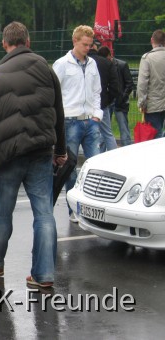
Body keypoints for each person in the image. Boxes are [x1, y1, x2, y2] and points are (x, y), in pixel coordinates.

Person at [0, 22, 66, 289]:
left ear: (5, 44)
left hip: (8, 155)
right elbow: (58, 114)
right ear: (28, 41)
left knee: (3, 212)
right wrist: (60, 150)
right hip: (40, 151)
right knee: (44, 214)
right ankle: (44, 275)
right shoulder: (47, 70)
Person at [53, 25, 102, 222]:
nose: (88, 48)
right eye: (84, 44)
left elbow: (97, 90)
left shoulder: (92, 64)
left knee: (96, 166)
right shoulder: (62, 64)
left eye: (90, 45)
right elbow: (54, 93)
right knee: (69, 168)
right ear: (75, 41)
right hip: (69, 121)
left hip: (90, 121)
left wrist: (97, 115)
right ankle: (74, 210)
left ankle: (97, 207)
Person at [89, 41, 119, 152]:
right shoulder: (106, 63)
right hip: (102, 103)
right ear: (95, 47)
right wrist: (107, 99)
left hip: (83, 104)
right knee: (107, 133)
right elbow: (115, 86)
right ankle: (114, 158)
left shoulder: (81, 61)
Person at [101, 46, 133, 146]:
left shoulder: (122, 65)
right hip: (108, 100)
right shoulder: (104, 65)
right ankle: (102, 153)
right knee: (105, 129)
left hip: (119, 101)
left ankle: (126, 148)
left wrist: (122, 97)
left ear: (110, 56)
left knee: (123, 128)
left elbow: (129, 84)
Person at [137, 29, 165, 138]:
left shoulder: (147, 58)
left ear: (152, 40)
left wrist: (141, 103)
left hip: (153, 105)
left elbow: (142, 84)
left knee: (155, 136)